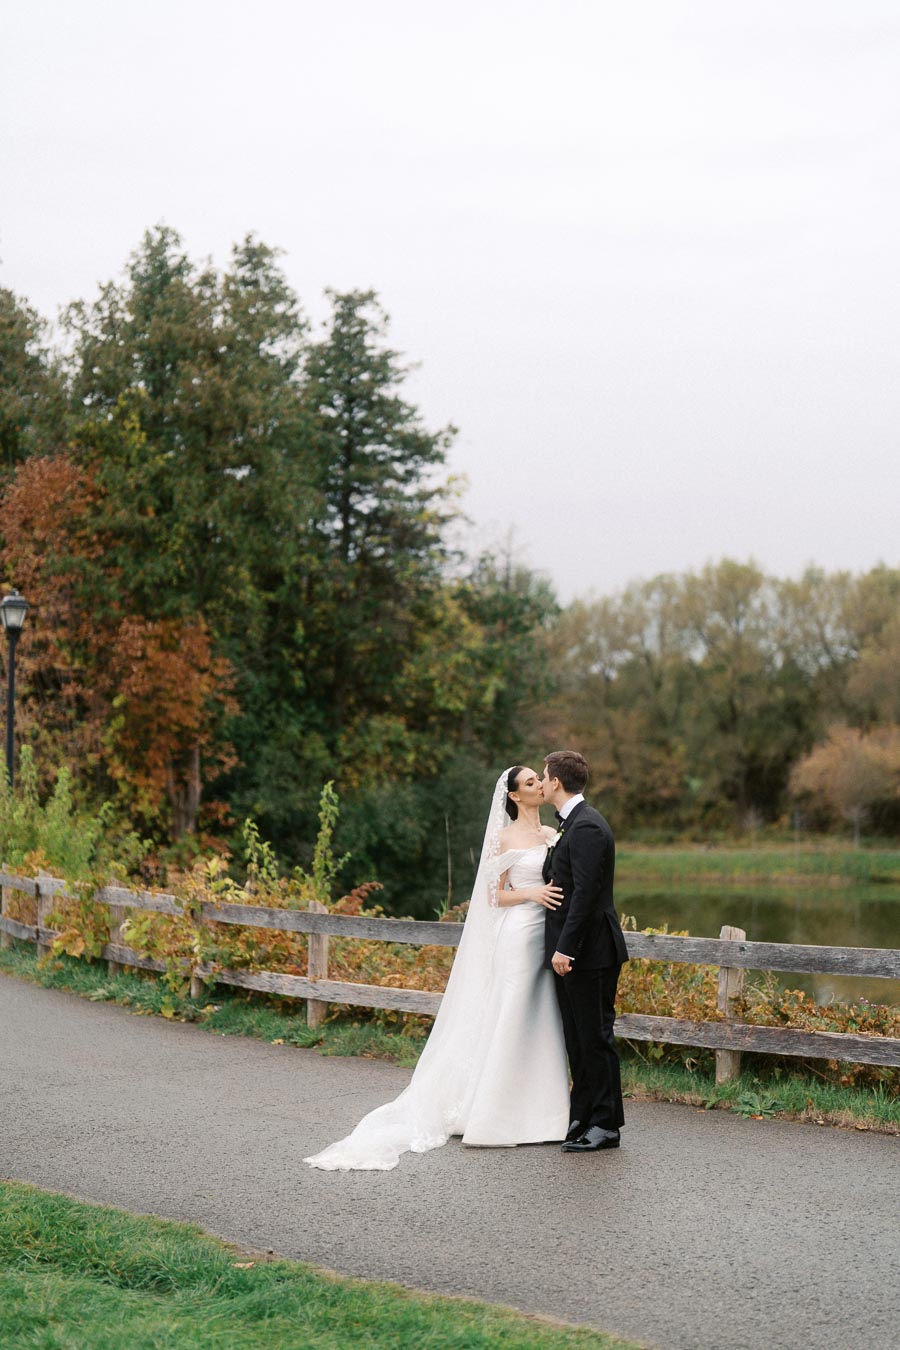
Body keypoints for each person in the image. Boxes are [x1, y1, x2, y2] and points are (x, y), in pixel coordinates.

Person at [304, 766, 570, 1171]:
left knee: (540, 1016)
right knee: (512, 1012)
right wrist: (531, 892)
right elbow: (491, 895)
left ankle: (545, 1113)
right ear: (515, 796)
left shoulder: (552, 835)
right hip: (517, 935)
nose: (539, 785)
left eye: (539, 779)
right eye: (530, 782)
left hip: (544, 936)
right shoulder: (504, 836)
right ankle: (498, 1114)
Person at [541, 749, 629, 1151]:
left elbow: (587, 898)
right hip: (573, 953)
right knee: (576, 1038)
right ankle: (583, 1114)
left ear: (557, 782)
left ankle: (606, 1125)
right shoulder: (570, 825)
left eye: (544, 777)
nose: (542, 783)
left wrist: (566, 949)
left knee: (595, 1037)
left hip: (589, 953)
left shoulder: (588, 827)